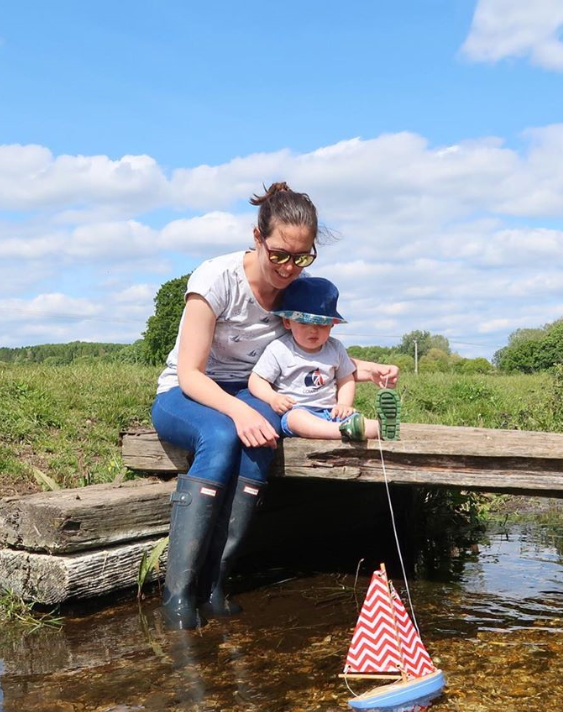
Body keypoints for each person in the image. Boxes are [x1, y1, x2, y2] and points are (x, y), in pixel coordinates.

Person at [151, 182, 398, 630]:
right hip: (187, 393)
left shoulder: (295, 290)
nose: (289, 268)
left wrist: (366, 369)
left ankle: (215, 583)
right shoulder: (215, 280)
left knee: (265, 433)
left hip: (250, 391)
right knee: (223, 435)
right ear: (257, 237)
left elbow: (313, 353)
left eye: (302, 257)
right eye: (280, 254)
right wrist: (240, 411)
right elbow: (190, 373)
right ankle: (179, 594)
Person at [248, 276, 382, 441]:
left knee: (359, 419)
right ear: (287, 322)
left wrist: (344, 405)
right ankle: (342, 431)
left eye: (322, 324)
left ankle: (379, 427)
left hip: (331, 412)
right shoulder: (280, 349)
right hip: (298, 409)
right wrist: (273, 397)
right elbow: (256, 380)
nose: (313, 331)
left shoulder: (335, 348)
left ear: (332, 324)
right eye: (304, 323)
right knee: (297, 419)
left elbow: (346, 380)